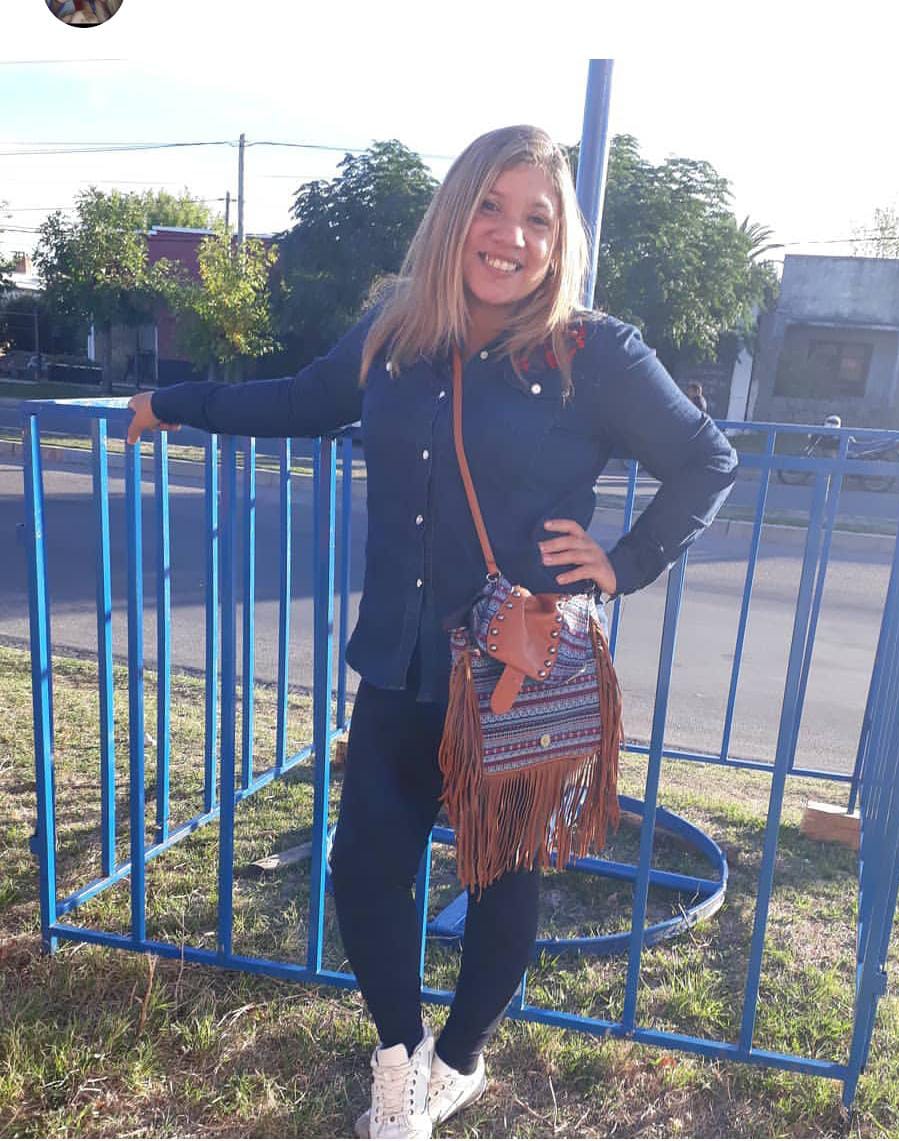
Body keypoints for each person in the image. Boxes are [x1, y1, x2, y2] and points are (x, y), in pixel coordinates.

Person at [126, 124, 737, 1139]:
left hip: (514, 671)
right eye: (490, 207)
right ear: (456, 214)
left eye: (537, 218)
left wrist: (624, 562)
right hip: (401, 659)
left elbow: (706, 458)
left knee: (501, 875)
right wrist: (174, 399)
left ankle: (458, 1060)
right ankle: (399, 1056)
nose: (510, 235)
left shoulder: (593, 351)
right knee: (365, 868)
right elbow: (300, 398)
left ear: (560, 240)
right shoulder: (396, 331)